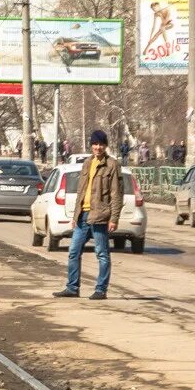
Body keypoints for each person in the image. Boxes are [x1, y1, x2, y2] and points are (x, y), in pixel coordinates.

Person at [54, 129, 123, 301]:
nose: (97, 147)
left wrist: (113, 218)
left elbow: (116, 194)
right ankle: (72, 287)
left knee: (102, 253)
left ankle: (101, 289)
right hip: (83, 216)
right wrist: (75, 215)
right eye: (95, 144)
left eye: (100, 144)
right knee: (73, 251)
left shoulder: (112, 165)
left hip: (100, 215)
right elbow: (81, 191)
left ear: (105, 146)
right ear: (91, 146)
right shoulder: (86, 163)